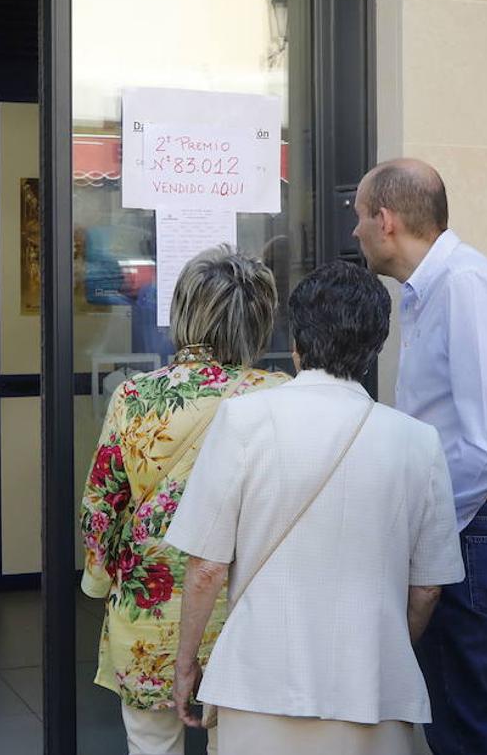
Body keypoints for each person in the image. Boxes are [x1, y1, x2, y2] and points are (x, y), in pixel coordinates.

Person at [165, 260, 465, 755]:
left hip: (257, 682)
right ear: (375, 349)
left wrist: (185, 667)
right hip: (373, 689)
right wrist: (384, 645)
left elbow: (205, 569)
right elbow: (428, 587)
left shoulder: (243, 420)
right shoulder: (419, 442)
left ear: (296, 342)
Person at [352, 157, 487, 754]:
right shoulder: (427, 289)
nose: (354, 232)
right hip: (460, 522)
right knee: (447, 709)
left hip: (466, 524)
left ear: (385, 220)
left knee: (460, 716)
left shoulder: (463, 285)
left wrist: (423, 525)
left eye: (358, 218)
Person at [78, 246, 289, 755]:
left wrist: (101, 578)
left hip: (148, 610)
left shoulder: (135, 397)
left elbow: (102, 504)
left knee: (151, 745)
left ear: (184, 312)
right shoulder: (280, 395)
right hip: (245, 608)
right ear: (260, 319)